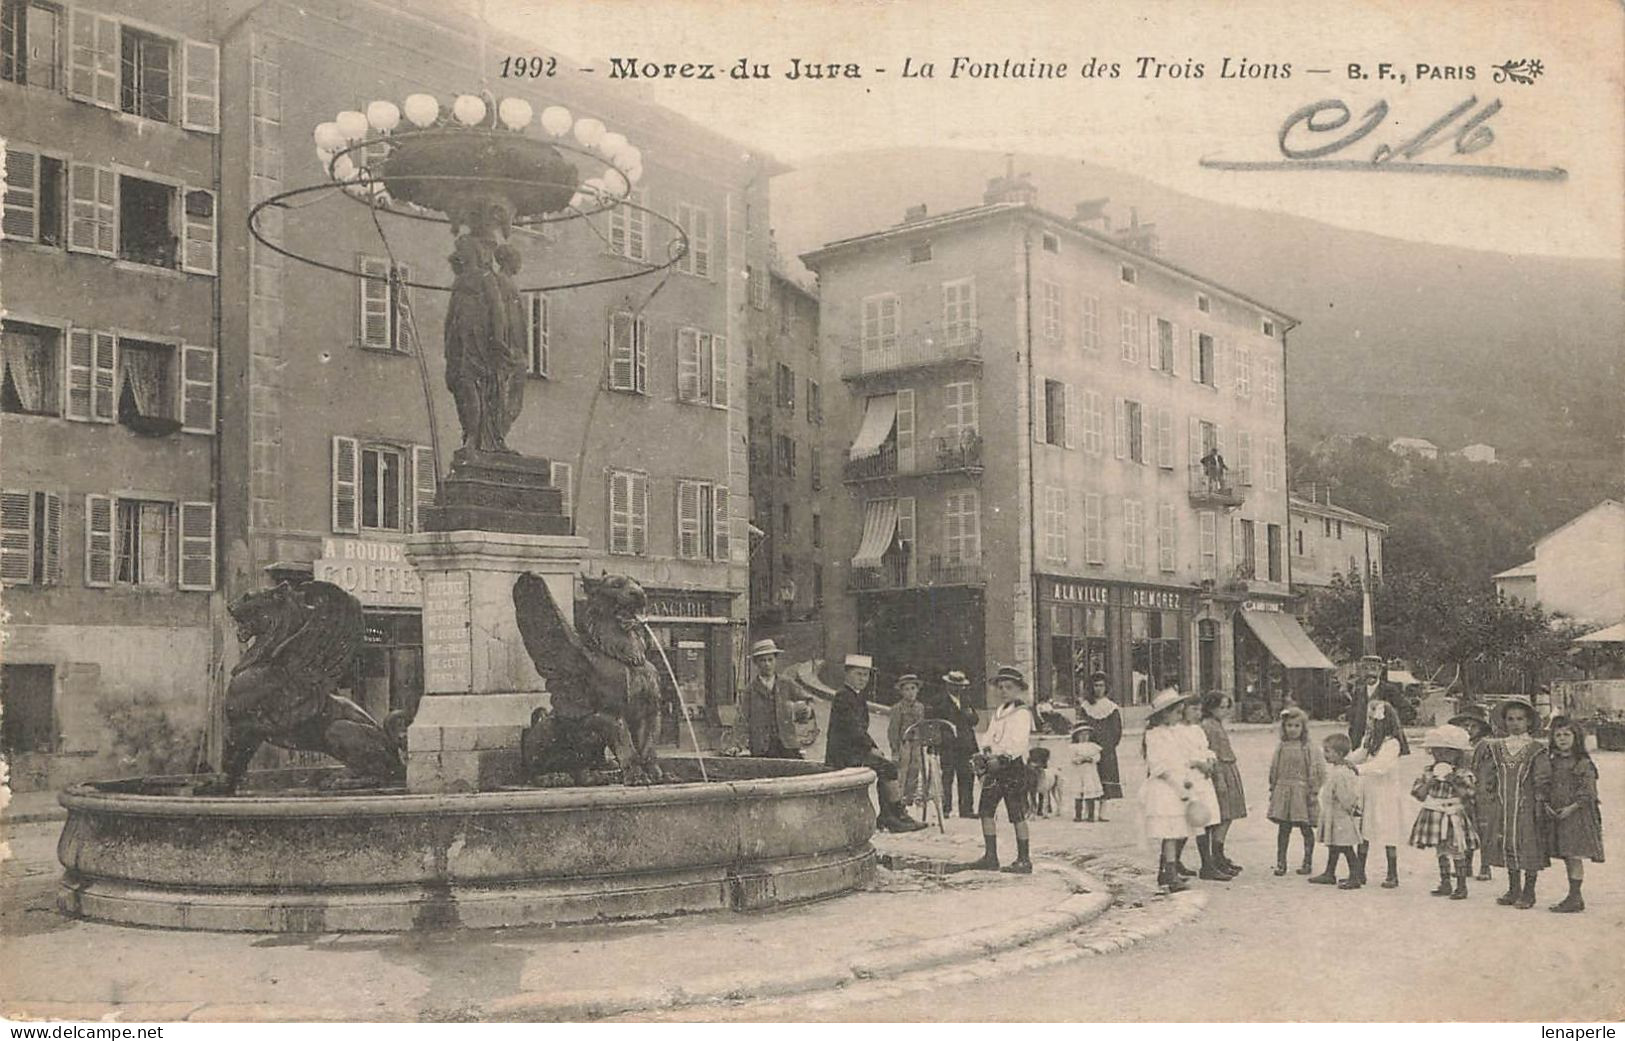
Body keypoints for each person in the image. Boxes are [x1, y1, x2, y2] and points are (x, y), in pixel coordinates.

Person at [825, 654, 927, 833]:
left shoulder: (857, 697)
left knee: (885, 766)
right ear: (847, 674)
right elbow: (853, 729)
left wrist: (873, 748)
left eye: (866, 675)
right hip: (843, 754)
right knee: (888, 768)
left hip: (854, 751)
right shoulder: (843, 697)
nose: (863, 679)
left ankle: (891, 815)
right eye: (859, 674)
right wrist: (871, 748)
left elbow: (860, 731)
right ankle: (894, 815)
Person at [953, 667, 1036, 874]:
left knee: (1016, 813)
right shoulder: (998, 712)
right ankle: (991, 857)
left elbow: (1019, 743)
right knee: (986, 810)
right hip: (993, 766)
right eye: (1000, 687)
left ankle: (1024, 859)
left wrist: (1004, 757)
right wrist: (984, 754)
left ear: (1019, 689)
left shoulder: (1022, 712)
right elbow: (989, 737)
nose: (1003, 691)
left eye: (1009, 687)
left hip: (1011, 767)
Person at [1482, 697, 1552, 908]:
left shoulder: (1536, 749)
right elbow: (1490, 777)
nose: (1515, 723)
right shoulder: (1498, 747)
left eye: (1520, 719)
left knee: (1529, 844)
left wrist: (1540, 803)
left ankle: (1529, 892)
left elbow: (1543, 778)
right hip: (1504, 805)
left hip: (1527, 806)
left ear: (1528, 722)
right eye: (1510, 719)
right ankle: (1514, 888)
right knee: (1507, 843)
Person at [1346, 695, 1412, 888]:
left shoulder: (1392, 744)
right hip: (1370, 790)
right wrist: (1347, 760)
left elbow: (1382, 765)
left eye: (1371, 720)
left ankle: (1392, 873)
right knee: (1364, 829)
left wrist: (1358, 769)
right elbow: (1361, 753)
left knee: (1387, 830)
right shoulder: (1371, 740)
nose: (1369, 723)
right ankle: (1360, 871)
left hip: (1386, 794)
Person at [1409, 724, 1480, 900]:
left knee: (1456, 849)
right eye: (1437, 752)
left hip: (1453, 814)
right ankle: (1445, 881)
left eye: (1447, 753)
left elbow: (1469, 795)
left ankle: (1462, 885)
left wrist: (1454, 782)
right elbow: (1418, 794)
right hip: (1434, 813)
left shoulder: (1463, 773)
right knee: (1440, 849)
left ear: (1457, 754)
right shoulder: (1428, 772)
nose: (1441, 757)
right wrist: (1429, 783)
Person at [1142, 688, 1201, 893]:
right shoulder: (1154, 735)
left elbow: (1181, 758)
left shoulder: (1173, 733)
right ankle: (1170, 873)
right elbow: (1158, 766)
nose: (1179, 717)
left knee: (1177, 830)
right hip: (1165, 789)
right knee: (1169, 831)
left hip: (1178, 786)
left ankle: (1165, 872)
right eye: (1177, 713)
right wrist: (1177, 785)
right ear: (1164, 714)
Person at [1543, 715, 1603, 913]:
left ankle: (1575, 896)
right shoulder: (1552, 762)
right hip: (1558, 814)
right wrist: (1546, 805)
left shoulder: (1583, 763)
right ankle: (1573, 895)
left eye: (1567, 734)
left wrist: (1570, 809)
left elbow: (1588, 793)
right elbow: (1546, 786)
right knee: (1567, 855)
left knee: (1574, 854)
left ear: (1576, 737)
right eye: (1558, 735)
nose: (1562, 739)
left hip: (1577, 815)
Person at [1269, 706, 1325, 876]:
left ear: (1303, 728)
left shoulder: (1307, 747)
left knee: (1305, 828)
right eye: (1289, 726)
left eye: (1296, 726)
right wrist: (1273, 787)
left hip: (1301, 792)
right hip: (1284, 790)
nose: (1292, 729)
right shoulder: (1282, 746)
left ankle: (1307, 862)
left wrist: (1313, 790)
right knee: (1283, 828)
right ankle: (1281, 863)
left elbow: (1316, 769)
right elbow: (1274, 768)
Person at [1176, 696, 1226, 880]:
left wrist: (1211, 759)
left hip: (1204, 779)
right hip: (1190, 778)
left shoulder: (1197, 729)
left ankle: (1204, 863)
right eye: (1193, 710)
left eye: (1199, 710)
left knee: (1207, 819)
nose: (1197, 714)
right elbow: (1179, 757)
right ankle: (1205, 865)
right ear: (1183, 710)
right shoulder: (1177, 731)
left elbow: (1205, 748)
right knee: (1194, 821)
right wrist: (1198, 763)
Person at [1200, 691, 1248, 877]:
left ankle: (1219, 855)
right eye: (1222, 707)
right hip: (1220, 771)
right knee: (1221, 814)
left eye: (1228, 706)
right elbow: (1211, 753)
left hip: (1228, 768)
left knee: (1228, 814)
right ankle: (1215, 857)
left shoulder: (1216, 724)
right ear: (1211, 707)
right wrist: (1218, 777)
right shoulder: (1208, 726)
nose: (1226, 711)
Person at [1449, 702, 1496, 881]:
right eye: (1465, 725)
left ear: (1481, 728)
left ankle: (1485, 866)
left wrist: (1481, 789)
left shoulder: (1485, 745)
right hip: (1463, 790)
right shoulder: (1460, 745)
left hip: (1481, 790)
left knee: (1483, 829)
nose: (1469, 729)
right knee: (1464, 827)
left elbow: (1487, 770)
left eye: (1473, 726)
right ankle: (1467, 865)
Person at [1309, 733, 1364, 886]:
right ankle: (1329, 873)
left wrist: (1351, 809)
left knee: (1345, 847)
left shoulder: (1341, 773)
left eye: (1328, 751)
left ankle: (1355, 877)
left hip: (1340, 816)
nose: (1325, 754)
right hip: (1334, 815)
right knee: (1334, 845)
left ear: (1339, 754)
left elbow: (1345, 796)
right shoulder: (1337, 769)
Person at [739, 639, 808, 759]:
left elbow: (807, 700)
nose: (767, 664)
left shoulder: (786, 683)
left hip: (787, 744)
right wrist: (738, 744)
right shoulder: (750, 690)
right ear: (756, 663)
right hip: (762, 747)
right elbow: (742, 718)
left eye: (770, 660)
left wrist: (802, 709)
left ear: (775, 660)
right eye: (763, 661)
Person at [929, 671, 981, 818]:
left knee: (967, 776)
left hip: (966, 745)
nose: (958, 689)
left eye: (961, 686)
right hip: (948, 746)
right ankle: (946, 809)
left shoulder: (966, 699)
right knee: (947, 776)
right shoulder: (938, 701)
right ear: (947, 685)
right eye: (954, 686)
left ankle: (966, 809)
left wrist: (970, 715)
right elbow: (933, 723)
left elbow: (975, 720)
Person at [1077, 669, 1124, 818]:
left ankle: (1103, 811)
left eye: (1101, 686)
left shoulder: (1111, 708)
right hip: (1088, 748)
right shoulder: (1085, 707)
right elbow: (1080, 726)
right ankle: (1087, 810)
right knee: (1088, 777)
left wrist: (1109, 745)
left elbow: (1117, 730)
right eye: (1096, 685)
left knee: (1105, 777)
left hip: (1106, 748)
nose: (1098, 689)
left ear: (1106, 688)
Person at [887, 674, 928, 803]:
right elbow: (893, 730)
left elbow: (922, 725)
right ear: (901, 692)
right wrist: (894, 749)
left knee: (915, 768)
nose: (910, 693)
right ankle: (899, 797)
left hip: (917, 742)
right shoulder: (897, 708)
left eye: (913, 688)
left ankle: (910, 796)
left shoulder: (920, 707)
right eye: (906, 689)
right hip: (904, 743)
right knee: (902, 770)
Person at [1069, 724, 1105, 823]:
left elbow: (1097, 757)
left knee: (1090, 792)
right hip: (1078, 772)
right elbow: (1072, 759)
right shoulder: (1073, 747)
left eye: (1086, 735)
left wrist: (1091, 759)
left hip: (1090, 772)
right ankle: (1078, 815)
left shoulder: (1093, 746)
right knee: (1078, 793)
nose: (1084, 737)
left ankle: (1090, 815)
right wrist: (1080, 759)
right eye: (1081, 735)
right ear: (1077, 736)